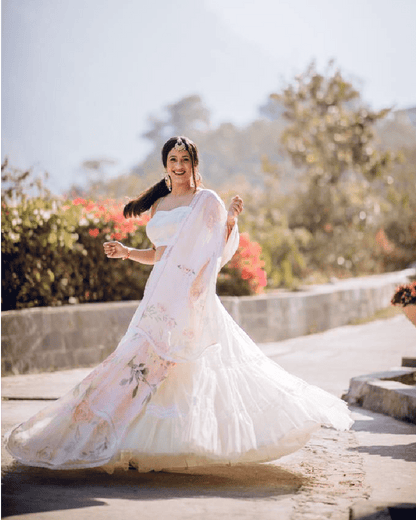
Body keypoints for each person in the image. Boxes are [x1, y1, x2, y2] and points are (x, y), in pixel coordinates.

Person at [6, 136, 353, 473]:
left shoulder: (207, 201)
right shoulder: (159, 206)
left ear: (194, 164)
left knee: (180, 365)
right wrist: (127, 253)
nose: (179, 165)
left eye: (185, 159)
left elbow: (217, 246)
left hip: (191, 295)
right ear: (165, 166)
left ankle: (188, 442)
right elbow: (160, 255)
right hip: (158, 294)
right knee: (139, 363)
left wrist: (230, 220)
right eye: (173, 160)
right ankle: (128, 440)